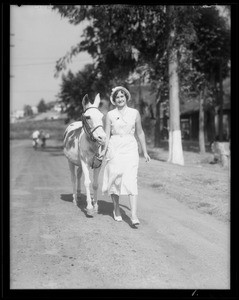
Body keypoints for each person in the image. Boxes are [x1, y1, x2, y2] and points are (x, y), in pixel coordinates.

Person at [100, 86, 150, 226]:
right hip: (114, 147)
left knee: (131, 179)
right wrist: (103, 151)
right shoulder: (109, 114)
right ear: (114, 100)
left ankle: (133, 215)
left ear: (126, 97)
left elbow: (140, 133)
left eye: (122, 96)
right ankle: (116, 209)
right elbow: (107, 135)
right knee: (115, 178)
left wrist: (145, 151)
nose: (120, 99)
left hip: (130, 147)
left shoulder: (134, 113)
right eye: (117, 97)